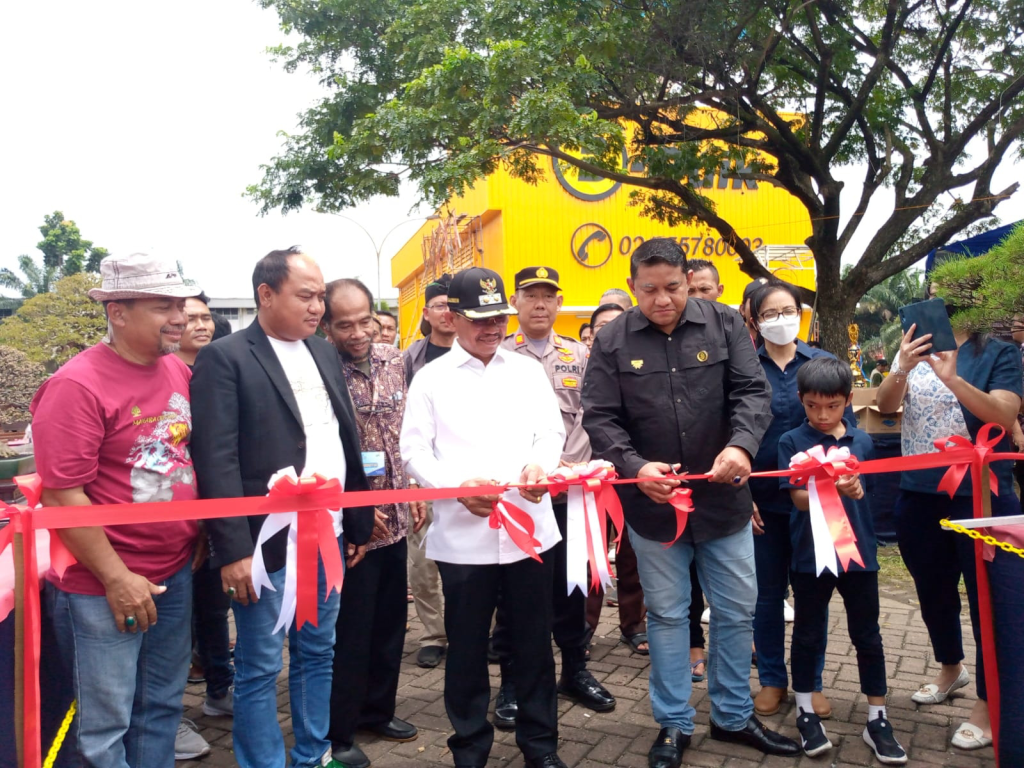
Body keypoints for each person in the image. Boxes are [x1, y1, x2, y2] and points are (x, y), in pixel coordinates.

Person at [582, 238, 799, 768]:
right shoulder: (611, 340)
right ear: (634, 286)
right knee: (668, 615)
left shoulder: (725, 325)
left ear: (688, 280)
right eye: (649, 290)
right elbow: (600, 417)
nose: (662, 300)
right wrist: (634, 468)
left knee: (735, 610)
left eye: (673, 288)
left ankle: (730, 715)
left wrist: (740, 445)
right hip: (654, 509)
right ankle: (674, 723)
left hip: (724, 501)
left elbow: (752, 392)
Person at [190, 247, 374, 768]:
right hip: (263, 544)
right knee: (259, 664)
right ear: (266, 295)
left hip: (327, 534)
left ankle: (312, 754)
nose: (318, 307)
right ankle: (262, 762)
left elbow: (344, 439)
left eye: (320, 296)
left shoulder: (321, 351)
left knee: (318, 653)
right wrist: (233, 549)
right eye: (306, 296)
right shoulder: (225, 358)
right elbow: (216, 459)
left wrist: (357, 516)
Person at [33, 252, 203, 767]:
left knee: (160, 708)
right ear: (118, 311)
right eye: (161, 305)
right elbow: (64, 496)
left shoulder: (176, 369)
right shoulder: (75, 385)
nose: (178, 315)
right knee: (102, 729)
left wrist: (194, 537)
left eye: (179, 302)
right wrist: (115, 578)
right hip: (101, 587)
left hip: (173, 574)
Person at [400, 266, 568, 768]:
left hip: (530, 530)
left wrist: (543, 465)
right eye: (479, 319)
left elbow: (551, 433)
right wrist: (455, 485)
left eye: (498, 317)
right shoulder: (430, 379)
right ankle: (470, 748)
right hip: (463, 537)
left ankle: (540, 748)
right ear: (452, 318)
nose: (492, 328)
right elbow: (414, 452)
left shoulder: (526, 370)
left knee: (535, 647)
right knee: (468, 649)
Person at [876, 287, 1024, 757]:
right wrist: (901, 365)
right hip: (918, 493)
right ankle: (950, 668)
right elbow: (883, 406)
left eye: (955, 289)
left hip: (979, 494)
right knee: (933, 591)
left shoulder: (998, 353)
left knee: (988, 600)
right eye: (935, 291)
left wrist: (953, 378)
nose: (943, 298)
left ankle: (987, 702)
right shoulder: (913, 348)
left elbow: (1003, 413)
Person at [489, 266, 615, 728]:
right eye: (530, 296)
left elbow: (599, 414)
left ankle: (575, 670)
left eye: (548, 296)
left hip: (576, 496)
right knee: (515, 592)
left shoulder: (581, 355)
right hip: (522, 497)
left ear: (559, 304)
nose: (540, 304)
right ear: (515, 304)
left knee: (573, 587)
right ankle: (511, 681)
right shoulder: (497, 355)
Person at [778, 358, 907, 764]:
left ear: (848, 401)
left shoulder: (862, 441)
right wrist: (824, 484)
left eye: (831, 406)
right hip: (809, 555)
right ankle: (804, 711)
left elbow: (863, 493)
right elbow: (795, 498)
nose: (821, 414)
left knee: (867, 634)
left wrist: (852, 489)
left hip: (859, 555)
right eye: (813, 405)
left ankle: (878, 717)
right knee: (808, 633)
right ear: (801, 400)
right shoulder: (791, 442)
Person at [321, 279, 425, 768]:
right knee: (353, 628)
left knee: (390, 623)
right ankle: (338, 731)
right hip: (356, 525)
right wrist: (359, 509)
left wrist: (414, 491)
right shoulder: (321, 368)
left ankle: (378, 710)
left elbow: (407, 431)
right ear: (327, 326)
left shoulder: (394, 359)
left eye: (365, 319)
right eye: (345, 324)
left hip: (399, 512)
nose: (359, 332)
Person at [747, 281, 840, 719]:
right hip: (762, 503)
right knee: (766, 596)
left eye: (789, 310)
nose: (781, 319)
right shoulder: (742, 367)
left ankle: (811, 680)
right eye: (770, 313)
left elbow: (846, 434)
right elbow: (727, 433)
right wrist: (740, 494)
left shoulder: (823, 363)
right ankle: (771, 679)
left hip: (815, 503)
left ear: (801, 313)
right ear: (754, 319)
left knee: (812, 594)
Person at [172, 293, 233, 761]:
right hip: (167, 522)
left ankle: (219, 689)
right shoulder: (165, 373)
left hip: (212, 515)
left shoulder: (221, 368)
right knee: (175, 621)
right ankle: (169, 712)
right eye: (189, 317)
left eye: (205, 317)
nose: (200, 325)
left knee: (213, 610)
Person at [584, 300, 649, 656]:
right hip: (584, 479)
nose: (607, 334)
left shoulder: (639, 365)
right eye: (600, 329)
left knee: (631, 553)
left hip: (629, 473)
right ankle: (583, 628)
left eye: (615, 326)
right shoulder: (574, 364)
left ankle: (634, 624)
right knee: (590, 555)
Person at [402, 274, 455, 668]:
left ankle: (478, 630)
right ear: (426, 313)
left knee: (475, 561)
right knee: (422, 564)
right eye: (440, 305)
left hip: (470, 477)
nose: (449, 312)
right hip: (423, 476)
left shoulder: (485, 352)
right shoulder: (409, 359)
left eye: (456, 304)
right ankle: (434, 634)